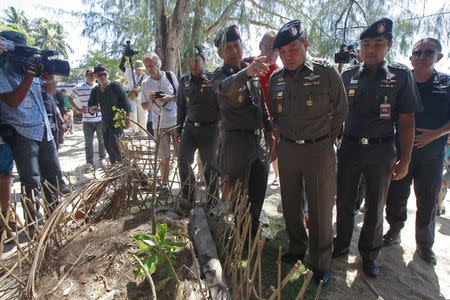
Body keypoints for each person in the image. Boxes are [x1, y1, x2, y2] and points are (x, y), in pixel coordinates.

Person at [333, 18, 423, 278]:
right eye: (366, 44)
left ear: (389, 45)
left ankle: (370, 255)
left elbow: (407, 120)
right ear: (360, 46)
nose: (371, 49)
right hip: (349, 148)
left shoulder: (401, 75)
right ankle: (341, 245)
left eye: (378, 44)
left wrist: (405, 159)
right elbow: (337, 116)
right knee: (345, 201)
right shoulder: (347, 75)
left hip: (381, 152)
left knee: (375, 206)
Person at [268, 20, 348, 285]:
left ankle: (321, 262)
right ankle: (296, 248)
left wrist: (327, 140)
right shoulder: (276, 79)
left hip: (319, 151)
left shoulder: (325, 72)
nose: (288, 55)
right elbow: (276, 118)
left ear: (305, 44)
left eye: (293, 48)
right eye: (283, 51)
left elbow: (340, 110)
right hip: (288, 150)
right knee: (290, 204)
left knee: (320, 208)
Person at [383, 38, 449, 265]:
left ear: (438, 57)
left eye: (428, 52)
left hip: (432, 155)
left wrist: (435, 134)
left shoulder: (446, 83)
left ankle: (425, 245)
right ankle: (394, 230)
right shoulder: (401, 80)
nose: (422, 56)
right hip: (401, 152)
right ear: (411, 56)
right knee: (396, 195)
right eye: (418, 52)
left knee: (428, 201)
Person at [0, 30, 68, 227]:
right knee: (32, 182)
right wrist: (30, 75)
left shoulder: (33, 72)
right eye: (22, 53)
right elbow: (12, 101)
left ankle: (54, 222)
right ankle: (34, 227)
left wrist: (49, 79)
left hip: (44, 130)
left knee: (53, 178)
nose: (26, 57)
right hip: (21, 133)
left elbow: (51, 92)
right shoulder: (3, 74)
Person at [212, 25, 274, 235]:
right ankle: (242, 236)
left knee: (258, 189)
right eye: (228, 47)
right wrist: (246, 72)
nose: (234, 51)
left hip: (258, 142)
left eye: (237, 45)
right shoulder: (219, 76)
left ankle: (253, 231)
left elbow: (260, 101)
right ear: (220, 53)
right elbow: (226, 88)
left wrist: (268, 127)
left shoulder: (251, 69)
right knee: (239, 194)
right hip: (236, 144)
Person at [176, 46, 219, 206]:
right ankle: (188, 197)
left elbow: (221, 104)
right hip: (190, 128)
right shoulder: (184, 81)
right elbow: (181, 106)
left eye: (197, 61)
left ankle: (213, 201)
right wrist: (178, 129)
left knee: (210, 166)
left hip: (210, 129)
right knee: (183, 161)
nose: (193, 65)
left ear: (204, 60)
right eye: (190, 62)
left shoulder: (212, 79)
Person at [141, 53, 179, 190]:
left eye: (151, 65)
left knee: (181, 155)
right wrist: (151, 101)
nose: (149, 69)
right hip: (159, 125)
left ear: (158, 64)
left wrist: (169, 97)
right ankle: (164, 184)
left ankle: (186, 183)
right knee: (164, 158)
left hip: (175, 122)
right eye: (146, 66)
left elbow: (180, 96)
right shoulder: (145, 83)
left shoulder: (170, 76)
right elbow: (144, 106)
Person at [88, 64, 131, 164]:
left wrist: (128, 121)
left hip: (117, 122)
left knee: (117, 146)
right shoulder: (95, 90)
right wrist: (92, 110)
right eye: (100, 75)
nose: (102, 77)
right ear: (95, 76)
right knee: (108, 147)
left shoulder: (115, 86)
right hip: (105, 123)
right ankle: (115, 169)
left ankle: (124, 168)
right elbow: (91, 106)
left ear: (107, 74)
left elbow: (127, 104)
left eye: (104, 74)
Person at [253, 31, 280, 186]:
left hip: (271, 125)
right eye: (269, 48)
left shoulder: (280, 73)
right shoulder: (246, 66)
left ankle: (277, 177)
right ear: (260, 46)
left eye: (276, 50)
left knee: (274, 153)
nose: (272, 54)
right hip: (250, 125)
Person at [69, 68, 107, 172]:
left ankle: (103, 158)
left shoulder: (99, 86)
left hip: (99, 119)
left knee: (102, 140)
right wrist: (78, 109)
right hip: (87, 121)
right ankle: (89, 162)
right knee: (88, 143)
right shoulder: (79, 87)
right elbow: (70, 98)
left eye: (93, 74)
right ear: (86, 75)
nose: (92, 76)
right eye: (89, 74)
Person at [119, 58, 149, 134]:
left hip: (142, 99)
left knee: (143, 116)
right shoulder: (130, 73)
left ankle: (143, 132)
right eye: (136, 69)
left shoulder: (146, 78)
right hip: (132, 98)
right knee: (133, 114)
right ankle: (135, 132)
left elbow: (148, 89)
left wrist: (140, 88)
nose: (138, 70)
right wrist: (124, 57)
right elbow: (121, 66)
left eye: (139, 69)